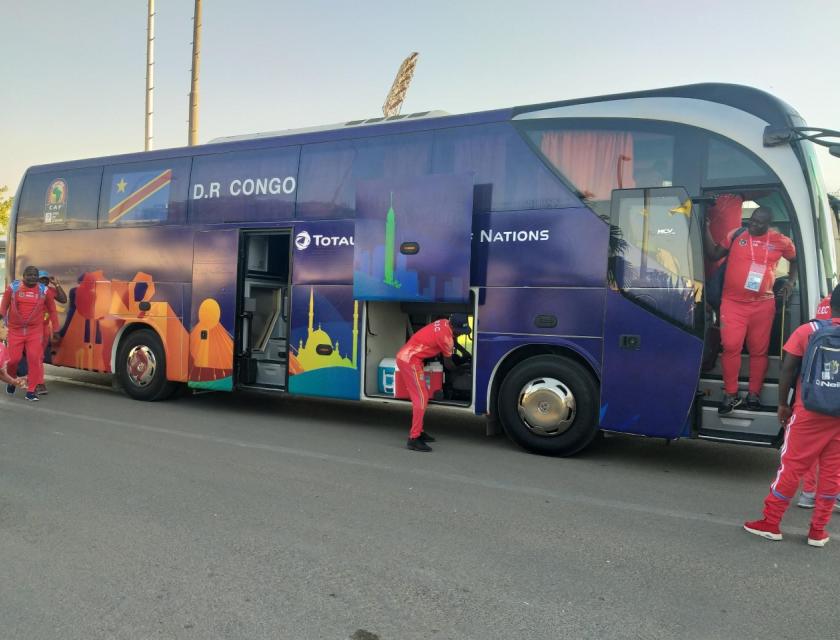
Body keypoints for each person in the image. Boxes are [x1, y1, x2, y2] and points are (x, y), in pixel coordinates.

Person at [743, 284, 840, 547]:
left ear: (830, 304)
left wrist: (783, 405)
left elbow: (788, 369)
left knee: (792, 466)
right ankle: (818, 532)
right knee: (832, 473)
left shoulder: (808, 331)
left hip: (809, 411)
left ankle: (771, 522)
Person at [704, 206, 798, 414]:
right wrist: (705, 228)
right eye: (752, 220)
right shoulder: (737, 234)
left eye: (758, 223)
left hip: (763, 304)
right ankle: (730, 394)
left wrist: (791, 282)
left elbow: (795, 260)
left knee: (759, 350)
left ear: (768, 224)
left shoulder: (780, 241)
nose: (753, 225)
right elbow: (712, 255)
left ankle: (754, 394)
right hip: (733, 303)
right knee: (730, 346)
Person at [395, 313, 471, 452]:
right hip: (409, 361)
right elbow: (449, 365)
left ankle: (419, 430)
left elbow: (454, 342)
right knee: (421, 398)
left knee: (422, 396)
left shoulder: (444, 323)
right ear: (453, 327)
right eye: (460, 332)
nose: (461, 335)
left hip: (410, 358)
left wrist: (464, 352)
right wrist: (461, 369)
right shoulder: (446, 338)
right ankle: (414, 438)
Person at [797, 293, 837, 509]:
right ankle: (833, 497)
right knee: (834, 457)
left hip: (810, 399)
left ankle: (808, 493)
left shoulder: (808, 329)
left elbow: (789, 365)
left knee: (807, 450)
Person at [0, 265, 60, 401]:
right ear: (23, 276)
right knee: (13, 360)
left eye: (35, 275)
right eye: (30, 275)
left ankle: (31, 391)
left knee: (34, 360)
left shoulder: (44, 291)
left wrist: (56, 330)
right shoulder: (13, 288)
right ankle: (12, 381)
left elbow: (52, 311)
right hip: (15, 331)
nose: (33, 277)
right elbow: (4, 306)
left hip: (35, 332)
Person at [0, 323, 27, 390]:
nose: (7, 329)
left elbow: (1, 374)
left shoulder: (2, 348)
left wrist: (14, 382)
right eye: (3, 327)